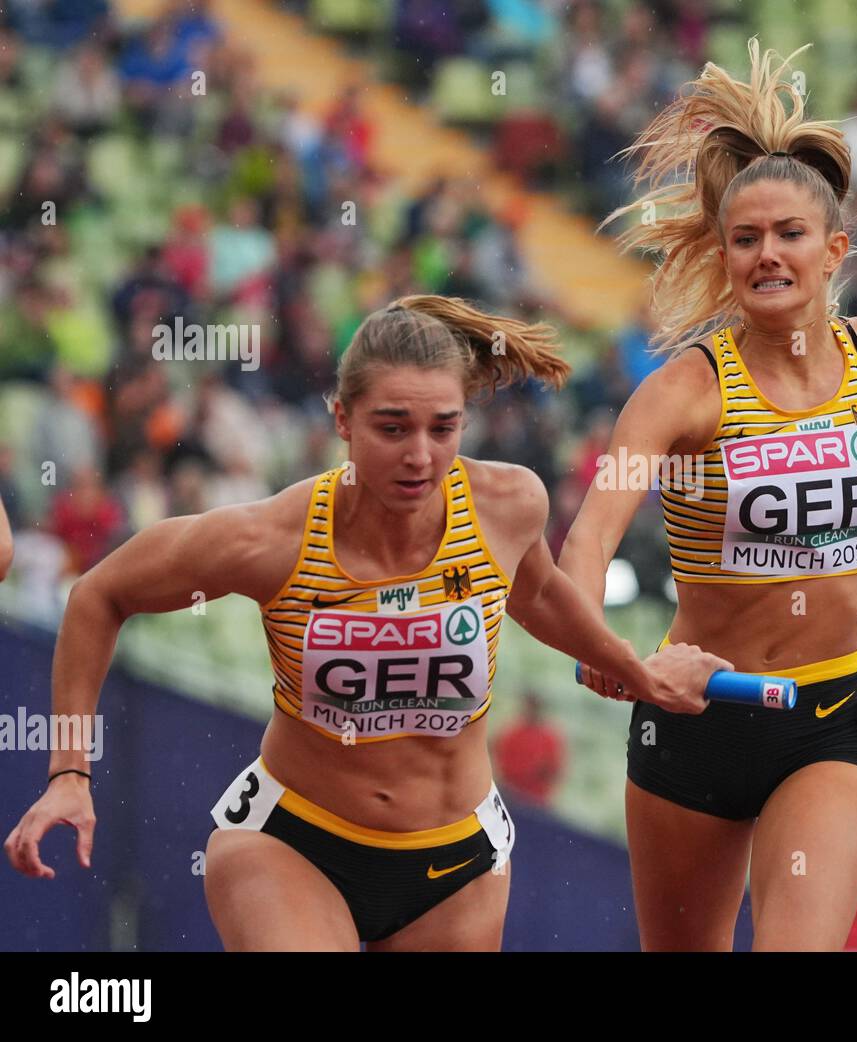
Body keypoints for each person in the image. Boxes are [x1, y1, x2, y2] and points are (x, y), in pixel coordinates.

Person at [4, 295, 726, 952]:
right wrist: (70, 770)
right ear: (342, 419)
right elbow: (98, 596)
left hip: (457, 864)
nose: (421, 455)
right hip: (294, 845)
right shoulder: (272, 540)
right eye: (392, 428)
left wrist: (638, 673)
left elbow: (537, 597)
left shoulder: (506, 505)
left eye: (443, 428)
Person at [559, 40, 857, 951]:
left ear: (833, 250)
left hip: (827, 718)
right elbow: (587, 542)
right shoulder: (682, 393)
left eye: (790, 236)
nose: (767, 256)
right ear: (724, 253)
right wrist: (606, 651)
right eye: (746, 239)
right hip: (695, 717)